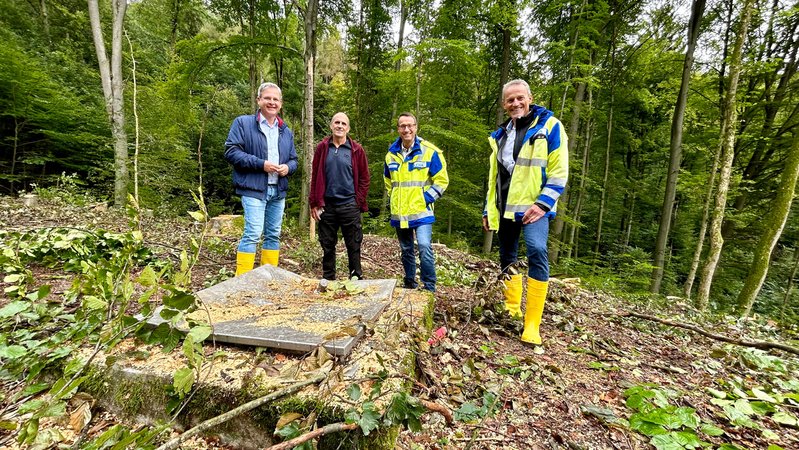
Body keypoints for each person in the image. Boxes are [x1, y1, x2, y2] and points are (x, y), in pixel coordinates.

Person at [482, 79, 568, 345]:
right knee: (507, 255)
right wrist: (488, 209)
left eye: (520, 98)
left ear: (530, 98)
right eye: (510, 100)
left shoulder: (550, 127)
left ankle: (532, 324)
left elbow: (559, 171)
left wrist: (543, 203)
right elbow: (494, 178)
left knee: (537, 250)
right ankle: (511, 307)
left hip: (535, 209)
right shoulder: (500, 135)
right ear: (504, 104)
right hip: (505, 208)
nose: (515, 103)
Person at [225, 82, 298, 276]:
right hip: (254, 188)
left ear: (280, 104)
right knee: (253, 234)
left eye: (275, 99)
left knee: (273, 235)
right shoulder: (243, 123)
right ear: (259, 100)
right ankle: (242, 279)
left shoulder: (286, 131)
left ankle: (269, 278)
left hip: (278, 189)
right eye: (267, 98)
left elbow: (294, 160)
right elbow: (231, 152)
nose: (271, 102)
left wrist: (287, 168)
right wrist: (261, 164)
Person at [384, 113, 449, 292]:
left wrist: (426, 199)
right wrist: (393, 199)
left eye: (410, 125)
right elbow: (388, 182)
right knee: (406, 249)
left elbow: (442, 181)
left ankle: (429, 286)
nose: (407, 129)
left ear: (416, 127)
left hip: (422, 212)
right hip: (401, 212)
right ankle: (410, 283)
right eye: (403, 126)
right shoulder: (391, 155)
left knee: (424, 246)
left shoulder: (429, 151)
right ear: (398, 129)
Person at [309, 112, 371, 280]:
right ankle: (328, 278)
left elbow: (365, 178)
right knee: (327, 244)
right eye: (337, 122)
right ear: (331, 126)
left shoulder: (356, 150)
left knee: (353, 244)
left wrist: (358, 201)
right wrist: (314, 203)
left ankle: (356, 278)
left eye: (343, 124)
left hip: (349, 205)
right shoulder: (322, 148)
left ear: (348, 128)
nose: (340, 126)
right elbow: (315, 176)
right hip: (326, 205)